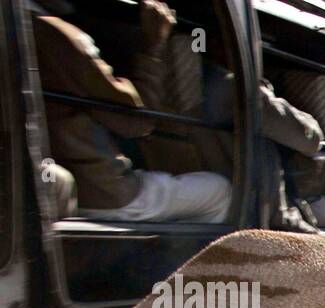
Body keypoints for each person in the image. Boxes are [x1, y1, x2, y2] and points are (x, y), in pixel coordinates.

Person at [34, 1, 231, 224]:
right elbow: (136, 123)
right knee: (220, 191)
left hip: (58, 185)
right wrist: (155, 44)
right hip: (103, 192)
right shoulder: (57, 36)